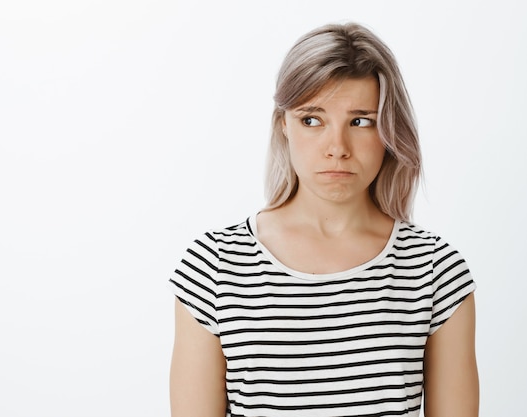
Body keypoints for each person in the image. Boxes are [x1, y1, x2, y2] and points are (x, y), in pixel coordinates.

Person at [169, 22, 478, 417]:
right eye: (312, 119)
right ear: (284, 123)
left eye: (360, 120)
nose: (337, 148)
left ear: (388, 129)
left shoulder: (435, 270)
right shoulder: (213, 267)